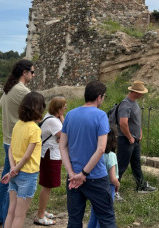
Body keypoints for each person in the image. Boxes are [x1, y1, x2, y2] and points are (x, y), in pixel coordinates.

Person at [59, 81, 116, 228]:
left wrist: (72, 172)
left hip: (73, 178)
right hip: (95, 176)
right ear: (99, 97)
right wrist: (84, 173)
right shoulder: (101, 115)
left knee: (74, 220)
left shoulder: (70, 115)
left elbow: (62, 146)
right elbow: (101, 148)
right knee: (106, 219)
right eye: (104, 96)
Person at [0, 59, 34, 228]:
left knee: (7, 179)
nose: (33, 75)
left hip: (8, 140)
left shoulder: (10, 88)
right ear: (25, 72)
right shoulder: (21, 90)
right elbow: (36, 111)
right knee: (12, 183)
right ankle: (6, 219)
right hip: (17, 142)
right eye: (32, 72)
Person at [1, 92, 46, 228]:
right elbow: (27, 155)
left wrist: (13, 168)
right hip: (28, 174)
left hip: (14, 173)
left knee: (11, 212)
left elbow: (10, 149)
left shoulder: (17, 125)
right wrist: (16, 168)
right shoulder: (35, 129)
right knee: (20, 214)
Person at [115, 80, 156, 193]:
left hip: (135, 140)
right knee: (121, 165)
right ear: (135, 92)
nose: (143, 94)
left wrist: (140, 132)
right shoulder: (125, 104)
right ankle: (113, 189)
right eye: (141, 92)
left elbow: (136, 121)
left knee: (136, 164)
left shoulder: (134, 103)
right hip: (126, 140)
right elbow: (123, 123)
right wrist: (129, 137)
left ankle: (141, 185)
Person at [35, 96, 67, 226]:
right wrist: (62, 137)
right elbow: (65, 137)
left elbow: (62, 137)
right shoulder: (54, 121)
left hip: (49, 154)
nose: (66, 108)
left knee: (46, 185)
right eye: (64, 106)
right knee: (47, 186)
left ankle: (42, 210)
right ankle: (40, 216)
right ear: (58, 109)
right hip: (50, 155)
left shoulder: (51, 117)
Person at [87, 128, 120, 228]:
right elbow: (112, 177)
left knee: (94, 215)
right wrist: (117, 184)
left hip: (95, 185)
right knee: (104, 216)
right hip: (108, 188)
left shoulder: (96, 155)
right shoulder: (111, 156)